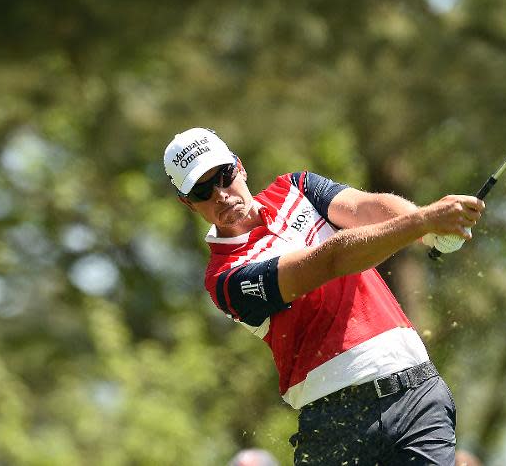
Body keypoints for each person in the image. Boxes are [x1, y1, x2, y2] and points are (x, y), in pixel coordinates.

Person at [163, 128, 485, 466]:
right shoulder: (224, 278)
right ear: (188, 203)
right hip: (336, 424)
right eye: (202, 191)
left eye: (224, 176)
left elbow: (366, 209)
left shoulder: (295, 187)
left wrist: (431, 231)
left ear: (239, 167)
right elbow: (328, 262)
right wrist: (422, 221)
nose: (221, 195)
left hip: (417, 394)